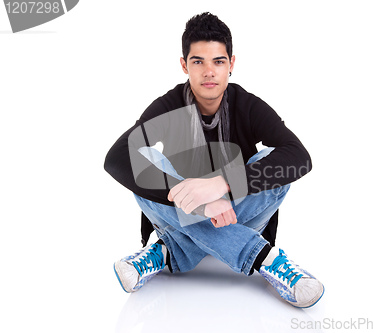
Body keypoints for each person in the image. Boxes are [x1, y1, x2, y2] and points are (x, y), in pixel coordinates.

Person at [104, 12, 324, 308]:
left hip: (238, 213)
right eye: (198, 62)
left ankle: (169, 250)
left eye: (218, 61)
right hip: (188, 210)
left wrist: (222, 185)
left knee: (274, 160)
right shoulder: (169, 105)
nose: (209, 72)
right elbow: (116, 158)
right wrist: (201, 203)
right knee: (146, 158)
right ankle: (263, 258)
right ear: (184, 65)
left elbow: (299, 157)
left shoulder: (248, 105)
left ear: (231, 64)